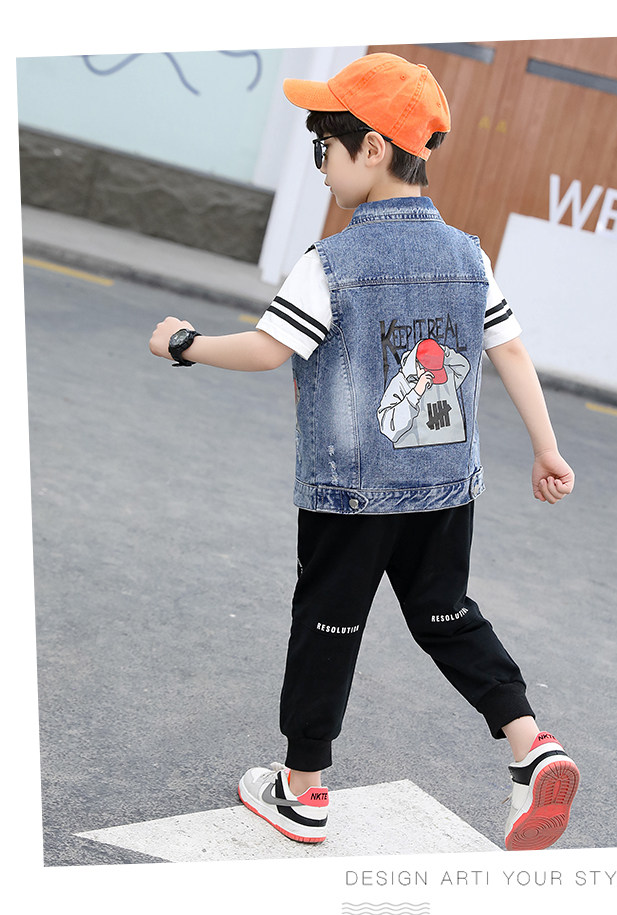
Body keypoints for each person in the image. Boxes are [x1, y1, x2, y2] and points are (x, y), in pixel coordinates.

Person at [148, 52, 579, 851]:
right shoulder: (470, 255)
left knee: (328, 624)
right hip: (446, 486)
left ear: (373, 148)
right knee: (447, 614)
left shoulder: (332, 263)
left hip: (352, 492)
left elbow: (268, 348)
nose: (321, 167)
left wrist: (185, 343)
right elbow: (512, 351)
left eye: (325, 148)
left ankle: (303, 787)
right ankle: (530, 743)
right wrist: (546, 449)